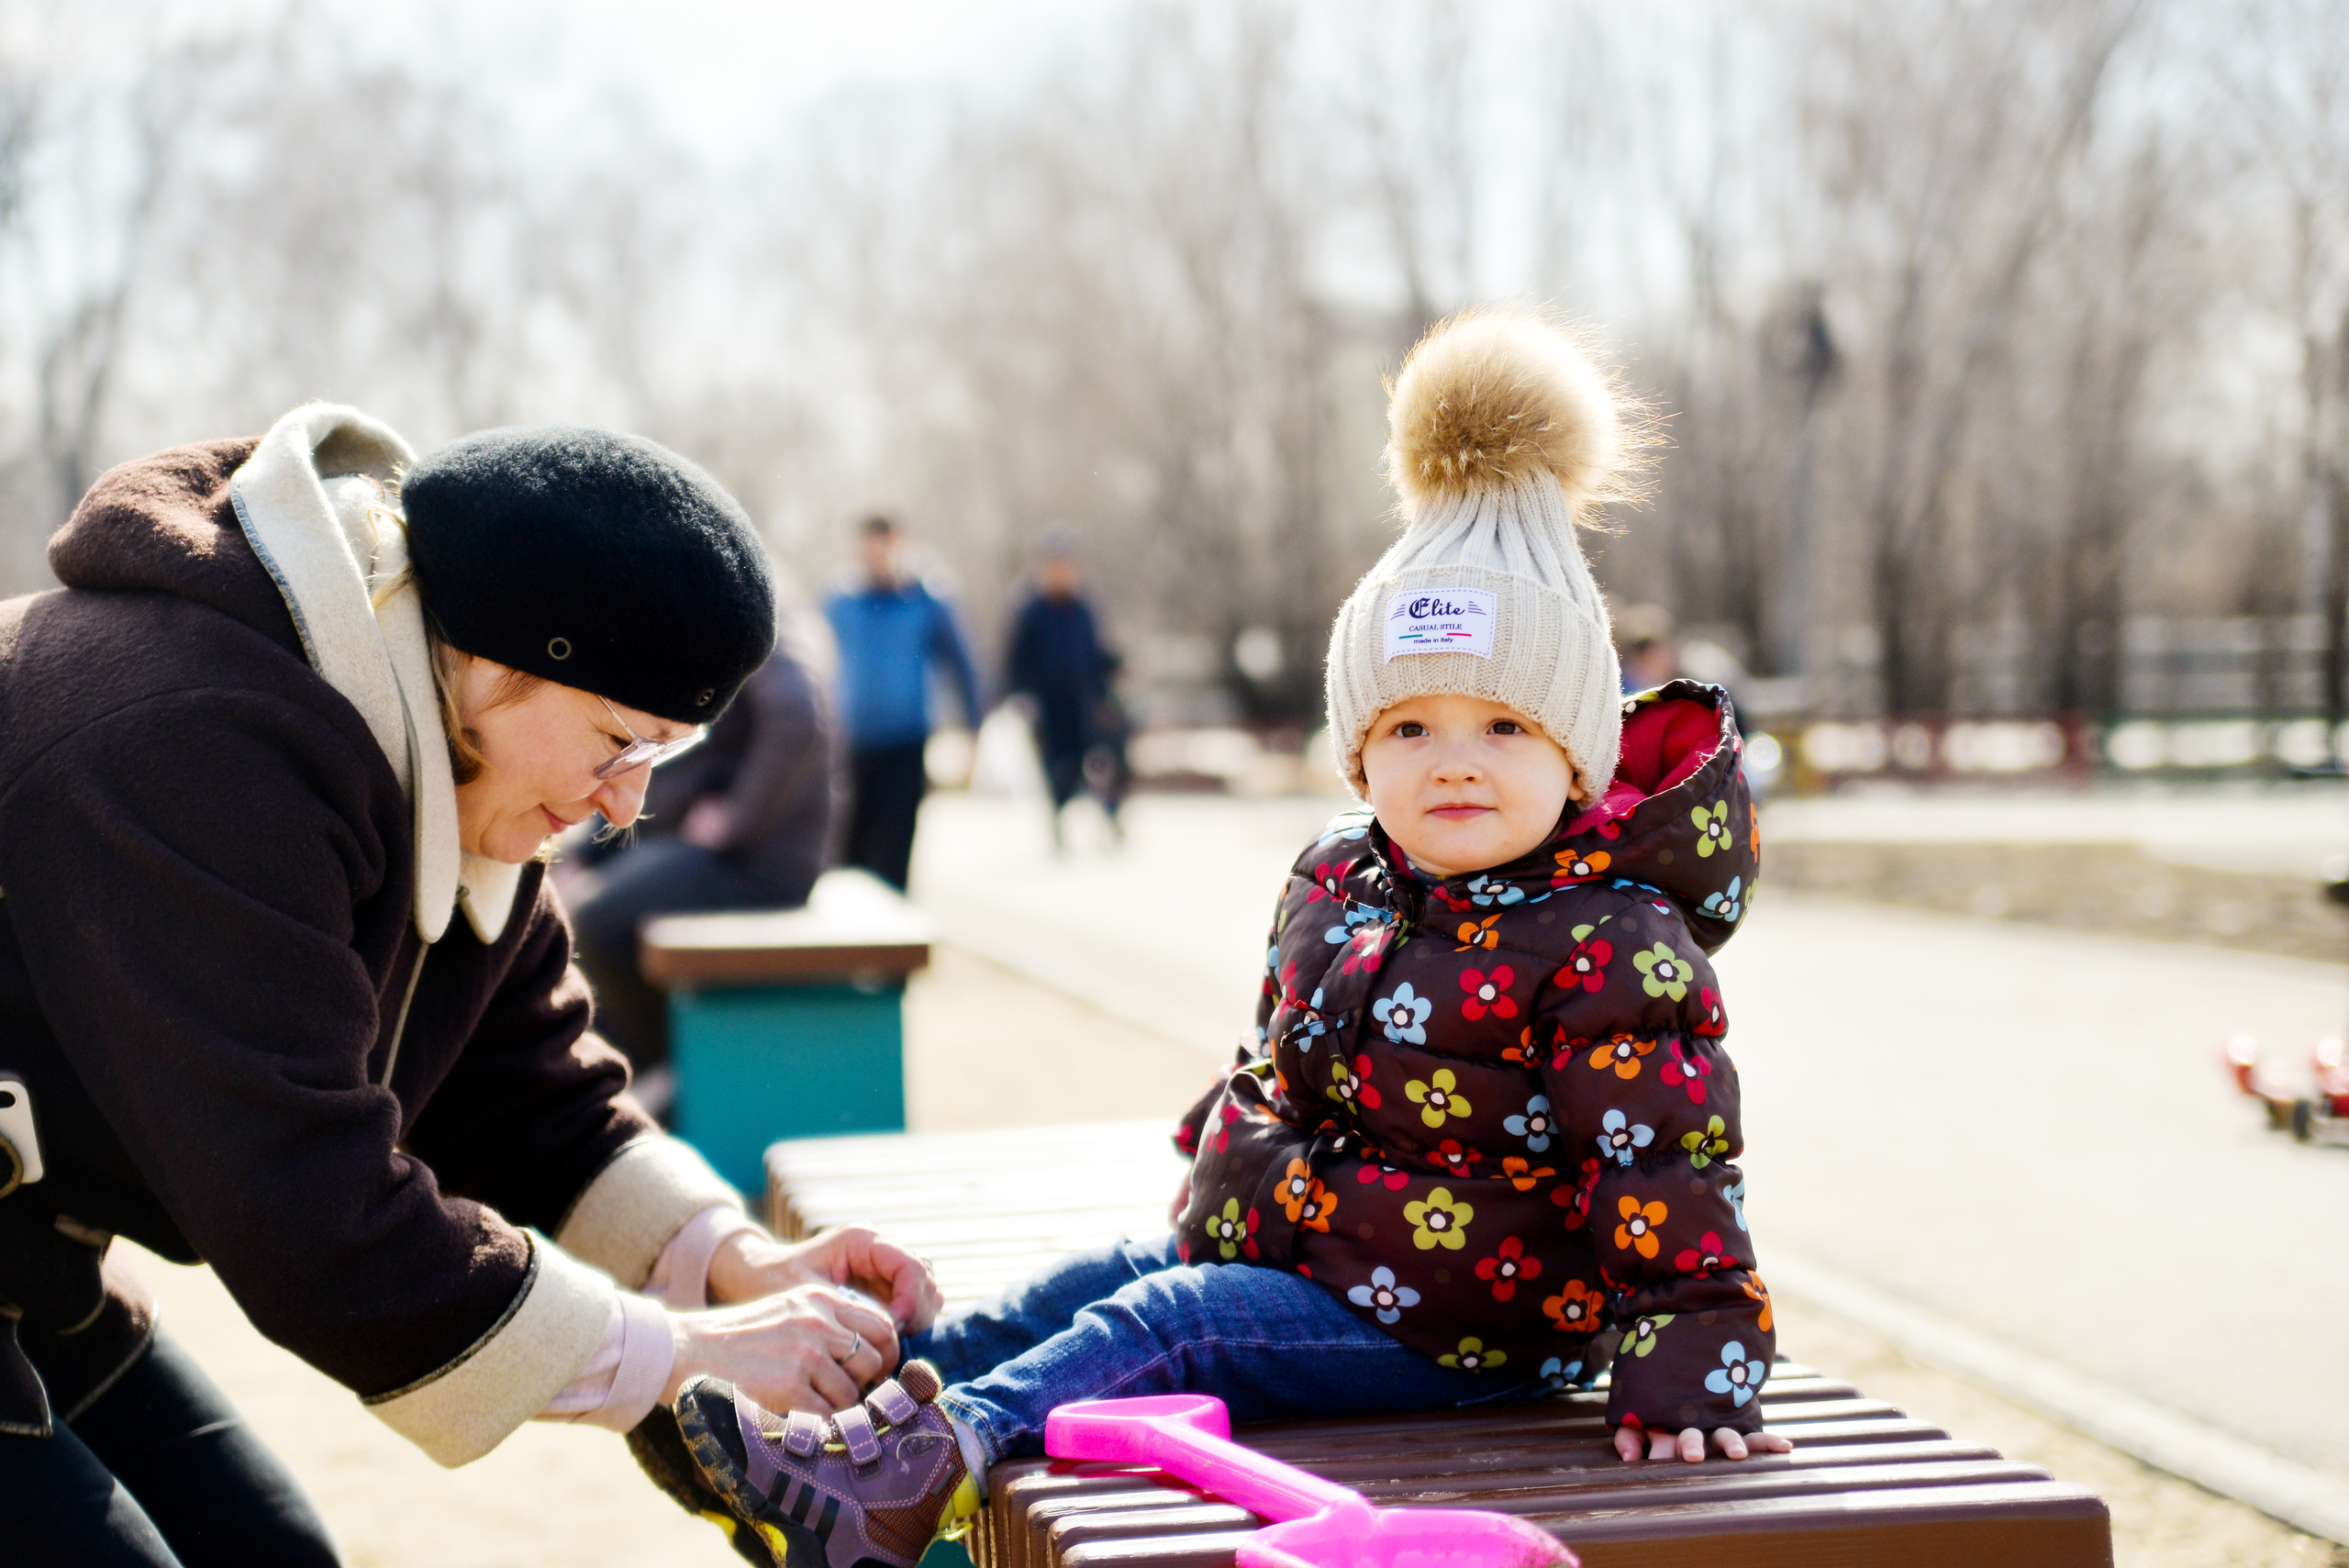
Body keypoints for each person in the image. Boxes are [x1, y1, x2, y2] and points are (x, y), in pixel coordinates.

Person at [666, 311, 1785, 1568]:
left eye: (1504, 730)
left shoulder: (1607, 937)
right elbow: (1281, 1067)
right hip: (1322, 1262)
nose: (1453, 763)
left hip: (1476, 1324)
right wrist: (1227, 1162)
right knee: (1087, 1285)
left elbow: (1670, 1165)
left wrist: (1693, 1358)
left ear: (1575, 751)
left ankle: (896, 1488)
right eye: (1409, 730)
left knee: (1172, 1322)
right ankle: (832, 1426)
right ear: (1361, 747)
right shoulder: (1339, 872)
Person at [0, 408, 941, 1567]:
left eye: (660, 757)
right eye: (616, 741)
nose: (623, 806)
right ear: (501, 664)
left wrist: (729, 1257)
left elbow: (526, 1088)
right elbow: (312, 1213)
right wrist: (684, 1354)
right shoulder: (197, 744)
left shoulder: (435, 726)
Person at [570, 623, 841, 1117]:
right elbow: (671, 766)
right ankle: (623, 1076)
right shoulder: (693, 635)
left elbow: (800, 718)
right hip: (714, 853)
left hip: (761, 865)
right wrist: (589, 852)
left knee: (597, 920)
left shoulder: (755, 618)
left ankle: (671, 1067)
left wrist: (736, 819)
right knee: (580, 915)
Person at [823, 516, 981, 890]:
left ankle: (892, 946)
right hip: (851, 745)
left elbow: (964, 667)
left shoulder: (928, 603)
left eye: (886, 544)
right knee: (846, 854)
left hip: (906, 742)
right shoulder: (840, 604)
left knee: (895, 852)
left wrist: (974, 731)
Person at [1003, 528, 1120, 846]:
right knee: (1058, 768)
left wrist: (1108, 686)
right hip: (1048, 706)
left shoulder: (1084, 609)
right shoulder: (1031, 612)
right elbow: (1015, 660)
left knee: (1101, 762)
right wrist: (1020, 697)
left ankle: (1110, 818)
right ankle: (1059, 819)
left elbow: (1096, 654)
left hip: (1083, 701)